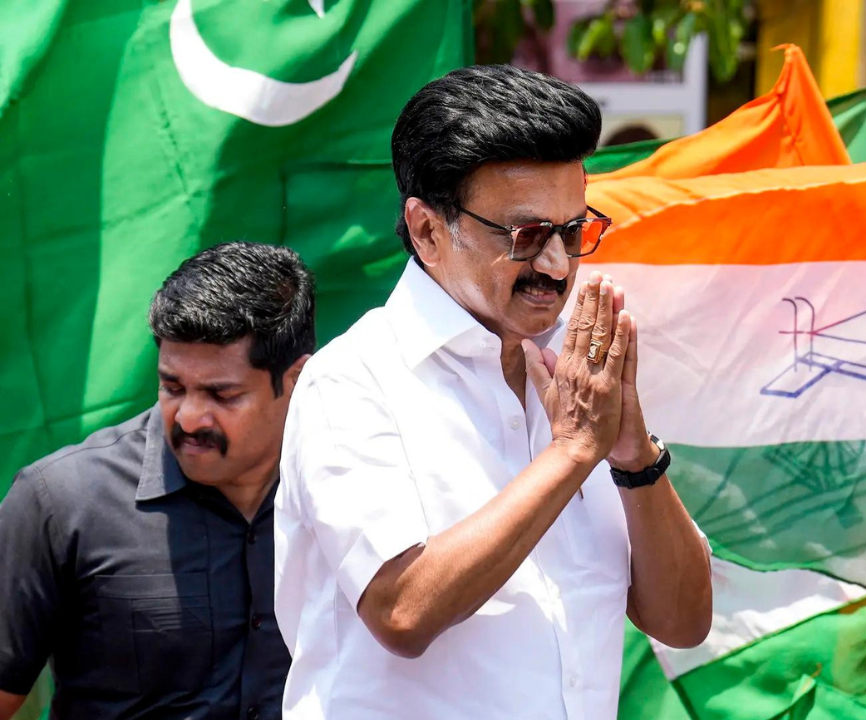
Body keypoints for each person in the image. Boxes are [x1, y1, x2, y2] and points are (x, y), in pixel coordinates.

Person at [274, 64, 713, 719]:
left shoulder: (578, 376)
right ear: (427, 231)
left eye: (573, 232)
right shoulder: (353, 382)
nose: (557, 266)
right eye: (527, 237)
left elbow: (683, 622)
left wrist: (635, 460)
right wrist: (571, 453)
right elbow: (402, 610)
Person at [0, 242, 314, 720]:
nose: (188, 418)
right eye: (173, 387)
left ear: (296, 380)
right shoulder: (61, 502)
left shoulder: (352, 488)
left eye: (221, 394)